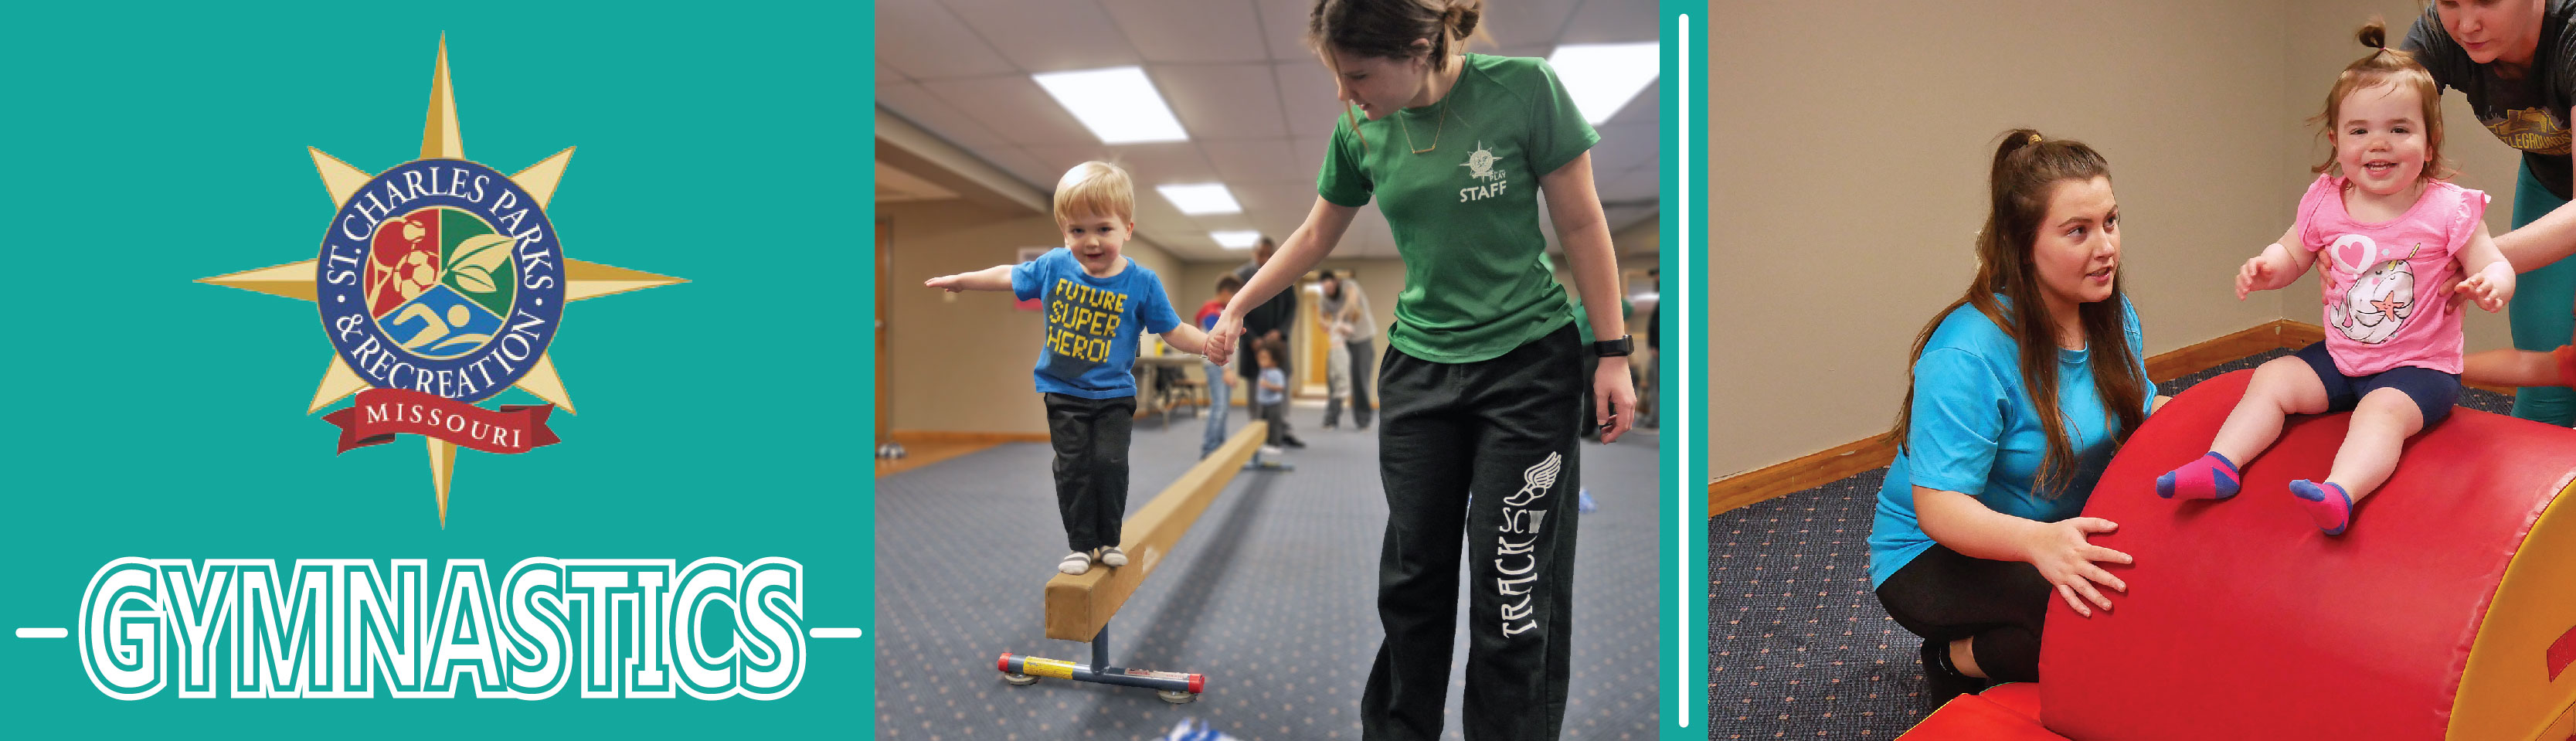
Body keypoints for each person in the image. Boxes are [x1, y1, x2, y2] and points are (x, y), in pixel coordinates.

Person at [1204, 1, 1636, 736]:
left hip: (1529, 364)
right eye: (1339, 78)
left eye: (1360, 75)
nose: (1347, 94)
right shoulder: (1359, 128)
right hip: (1419, 371)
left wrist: (1613, 352)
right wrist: (1238, 306)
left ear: (1417, 47)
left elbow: (1582, 222)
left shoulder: (1526, 90)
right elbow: (1315, 233)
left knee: (1510, 585)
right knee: (1413, 578)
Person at [2161, 23, 2515, 536]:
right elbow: (2293, 251)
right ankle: (2222, 463)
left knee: (2380, 412)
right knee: (2272, 377)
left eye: (2399, 130)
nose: (2379, 144)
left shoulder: (2447, 208)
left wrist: (2494, 284)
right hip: (2342, 355)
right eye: (2360, 130)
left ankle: (2340, 490)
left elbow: (2493, 261)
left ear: (2430, 140)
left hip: (2419, 369)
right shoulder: (2326, 199)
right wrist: (2269, 266)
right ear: (2336, 139)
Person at [1867, 130, 2161, 705]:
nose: (2106, 247)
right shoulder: (1965, 352)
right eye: (2078, 231)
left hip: (2052, 531)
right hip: (1932, 553)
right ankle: (1954, 661)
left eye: (2111, 221)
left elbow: (2141, 410)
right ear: (2023, 244)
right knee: (2097, 621)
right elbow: (1940, 508)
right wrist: (2039, 545)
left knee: (2160, 596)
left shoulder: (2109, 314)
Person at [923, 161, 1213, 576]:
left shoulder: (1142, 282)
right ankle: (1080, 544)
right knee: (1074, 466)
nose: (1091, 241)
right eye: (1078, 231)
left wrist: (1208, 346)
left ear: (1127, 229)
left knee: (1110, 463)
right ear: (1064, 232)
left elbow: (1174, 330)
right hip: (1063, 391)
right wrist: (964, 280)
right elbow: (1008, 274)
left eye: (1103, 229)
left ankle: (1108, 539)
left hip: (1114, 394)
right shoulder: (1054, 266)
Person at [2403, 0, 2576, 425]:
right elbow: (2371, 135)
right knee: (2549, 380)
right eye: (2450, 2)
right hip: (2550, 183)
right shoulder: (2439, 35)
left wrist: (2468, 260)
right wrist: (2339, 236)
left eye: (2487, 1)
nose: (2467, 23)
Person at [1235, 237, 1305, 448]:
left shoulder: (1284, 271)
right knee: (1257, 389)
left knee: (1279, 385)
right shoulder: (1241, 276)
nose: (1265, 259)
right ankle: (1257, 433)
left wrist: (1280, 332)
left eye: (1269, 254)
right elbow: (1237, 310)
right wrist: (1252, 338)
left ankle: (1281, 430)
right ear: (1253, 254)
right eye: (1261, 254)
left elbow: (1292, 307)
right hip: (1253, 343)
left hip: (1277, 344)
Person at [1319, 270, 1377, 430]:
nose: (1328, 291)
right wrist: (1324, 323)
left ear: (1336, 282)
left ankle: (1363, 421)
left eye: (1330, 287)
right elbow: (1322, 316)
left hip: (1361, 339)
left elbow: (1352, 301)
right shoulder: (1324, 297)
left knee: (1360, 379)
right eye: (1325, 289)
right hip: (1341, 342)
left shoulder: (1349, 286)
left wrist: (1340, 316)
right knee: (1336, 378)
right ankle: (1331, 419)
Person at [1198, 274, 1244, 458]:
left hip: (1224, 365)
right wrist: (1226, 369)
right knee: (1219, 408)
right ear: (1226, 293)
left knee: (1223, 409)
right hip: (1216, 365)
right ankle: (1209, 451)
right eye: (1235, 295)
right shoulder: (1210, 311)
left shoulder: (1222, 311)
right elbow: (1216, 343)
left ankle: (1220, 449)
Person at [1255, 338, 1291, 457]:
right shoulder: (1263, 370)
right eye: (1260, 358)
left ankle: (1276, 445)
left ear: (1274, 360)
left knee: (1274, 424)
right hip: (1263, 403)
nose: (1261, 361)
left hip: (1274, 403)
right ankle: (1267, 443)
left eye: (1264, 358)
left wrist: (1269, 386)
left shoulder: (1277, 373)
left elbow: (1281, 388)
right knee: (1265, 424)